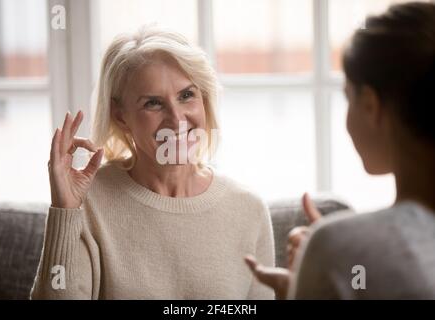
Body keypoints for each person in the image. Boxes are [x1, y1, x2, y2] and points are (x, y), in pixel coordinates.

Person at [31, 26, 275, 299]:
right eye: (153, 103)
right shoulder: (89, 201)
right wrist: (65, 210)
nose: (178, 119)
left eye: (186, 95)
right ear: (121, 115)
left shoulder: (248, 209)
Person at [246, 2, 435, 299]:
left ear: (371, 106)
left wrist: (305, 281)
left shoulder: (338, 248)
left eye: (348, 98)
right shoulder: (350, 251)